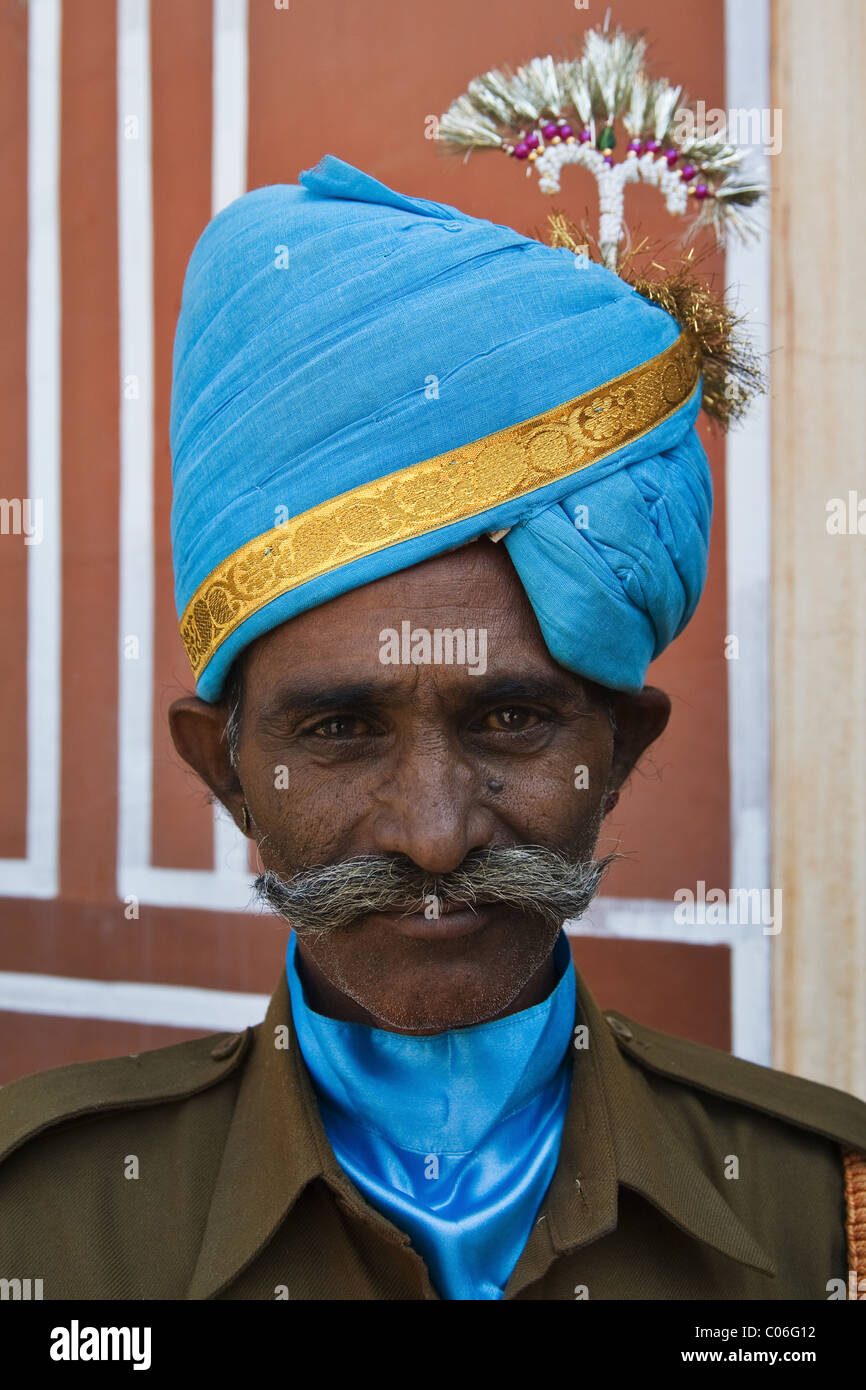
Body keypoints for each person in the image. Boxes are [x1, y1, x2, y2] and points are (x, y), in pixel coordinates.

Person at [1, 155, 864, 1302]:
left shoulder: (820, 1222)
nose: (435, 838)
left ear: (619, 754)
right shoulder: (46, 1231)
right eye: (340, 728)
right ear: (225, 771)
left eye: (509, 718)